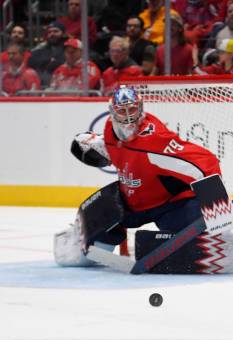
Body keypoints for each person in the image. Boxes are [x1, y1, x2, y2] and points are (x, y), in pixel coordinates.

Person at [65, 85, 224, 273]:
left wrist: (219, 214)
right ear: (112, 112)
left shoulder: (154, 142)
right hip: (132, 205)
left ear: (140, 108)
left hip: (171, 205)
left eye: (132, 109)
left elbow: (206, 162)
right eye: (121, 111)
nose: (128, 116)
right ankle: (91, 250)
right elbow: (92, 143)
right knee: (92, 229)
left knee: (192, 248)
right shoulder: (109, 131)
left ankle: (215, 234)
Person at [27, 22, 67, 87]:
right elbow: (31, 62)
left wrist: (47, 63)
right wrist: (49, 60)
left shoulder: (68, 48)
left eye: (56, 31)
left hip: (63, 85)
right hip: (42, 85)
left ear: (63, 34)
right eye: (49, 32)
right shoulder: (41, 47)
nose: (52, 34)